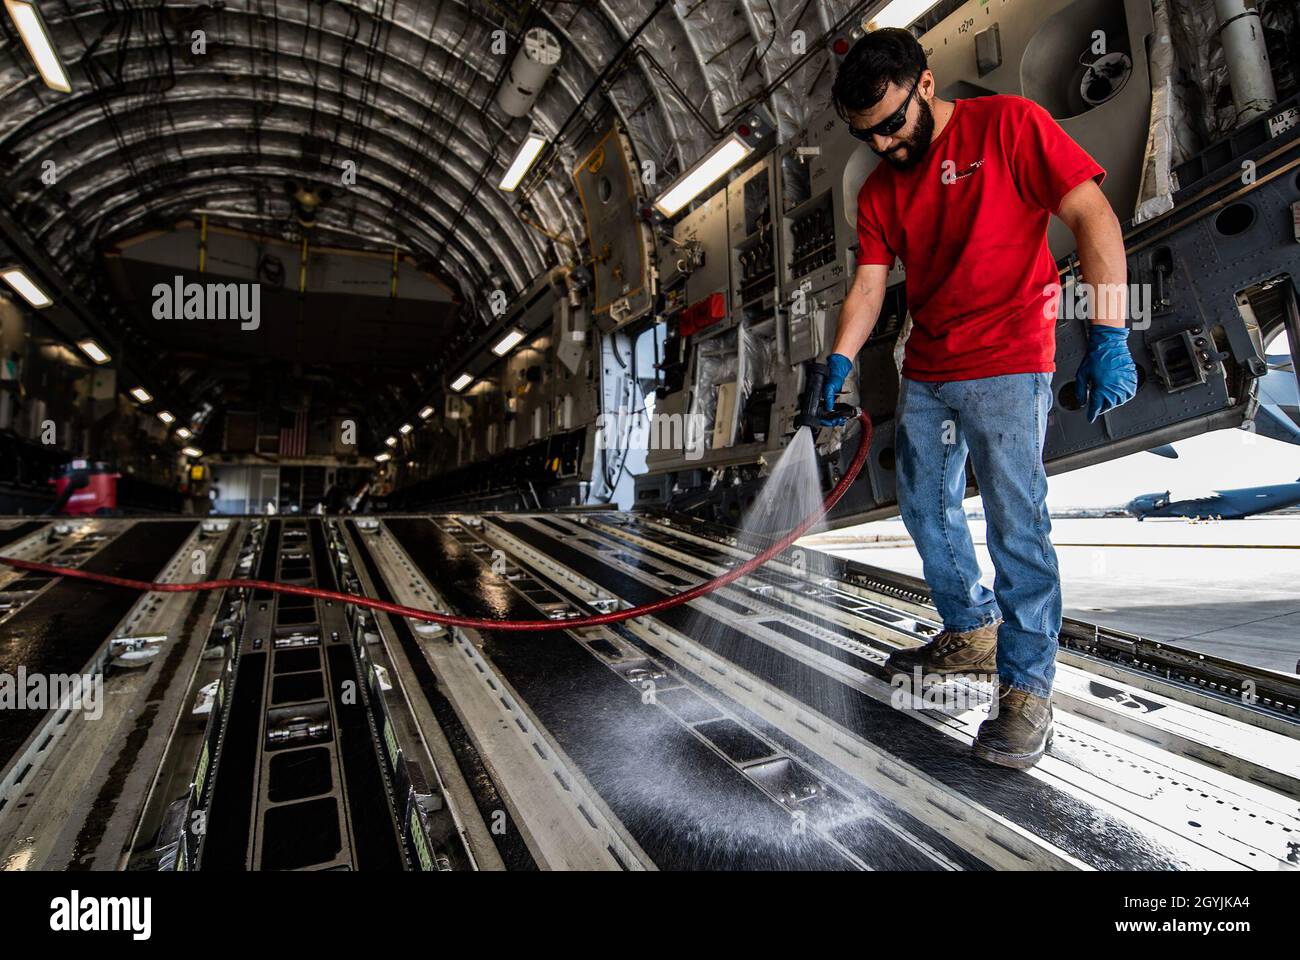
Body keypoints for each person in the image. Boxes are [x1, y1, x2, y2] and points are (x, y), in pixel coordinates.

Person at [822, 29, 1138, 768]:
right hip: (930, 367)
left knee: (1014, 525)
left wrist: (1109, 333)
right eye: (868, 137)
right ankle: (971, 631)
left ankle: (1027, 690)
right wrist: (835, 365)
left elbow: (1092, 216)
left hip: (1008, 359)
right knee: (925, 506)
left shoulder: (1011, 126)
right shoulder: (878, 190)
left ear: (926, 86)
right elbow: (870, 285)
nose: (888, 147)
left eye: (895, 125)